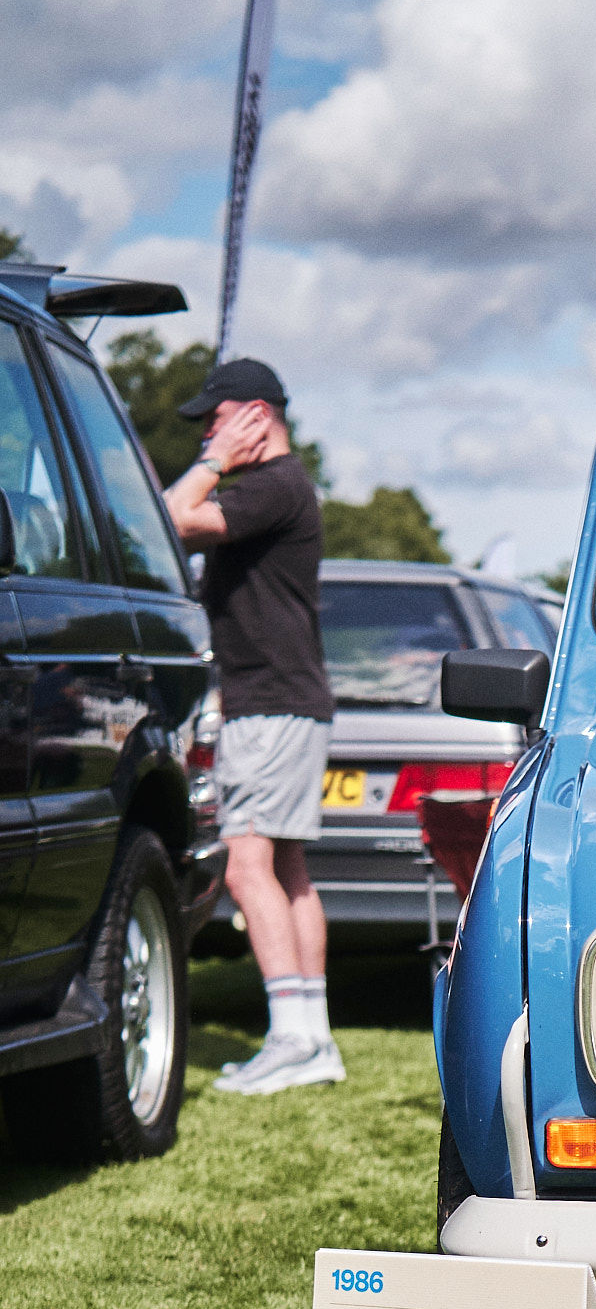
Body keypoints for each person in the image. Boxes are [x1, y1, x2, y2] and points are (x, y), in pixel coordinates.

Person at [164, 357, 342, 1092]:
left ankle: (293, 1040)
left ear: (257, 415)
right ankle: (315, 1037)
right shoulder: (282, 488)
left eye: (218, 415)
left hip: (269, 704)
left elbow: (171, 518)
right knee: (289, 870)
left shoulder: (269, 486)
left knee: (245, 864)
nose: (208, 428)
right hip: (289, 700)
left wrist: (212, 461)